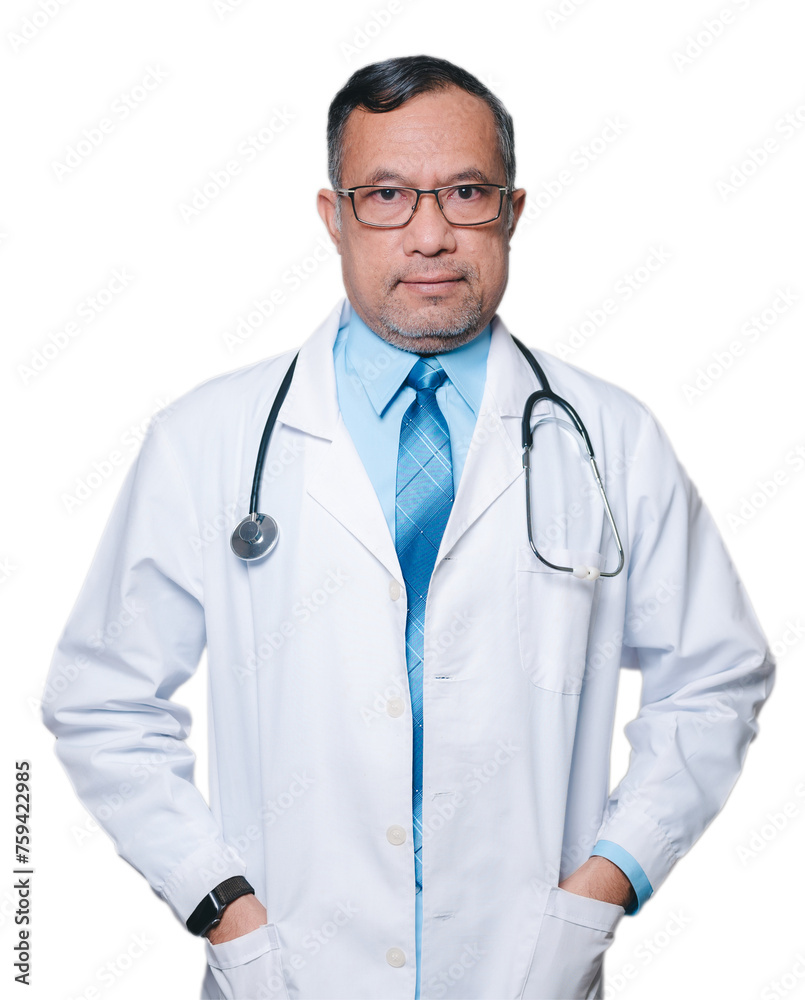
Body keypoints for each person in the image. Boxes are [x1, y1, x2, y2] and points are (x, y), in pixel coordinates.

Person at [42, 55, 774, 1000]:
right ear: (332, 217)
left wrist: (607, 883)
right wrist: (221, 905)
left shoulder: (610, 438)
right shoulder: (208, 441)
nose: (428, 234)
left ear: (511, 212)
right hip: (290, 974)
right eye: (385, 195)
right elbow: (100, 697)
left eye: (464, 192)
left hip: (525, 970)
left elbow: (715, 675)